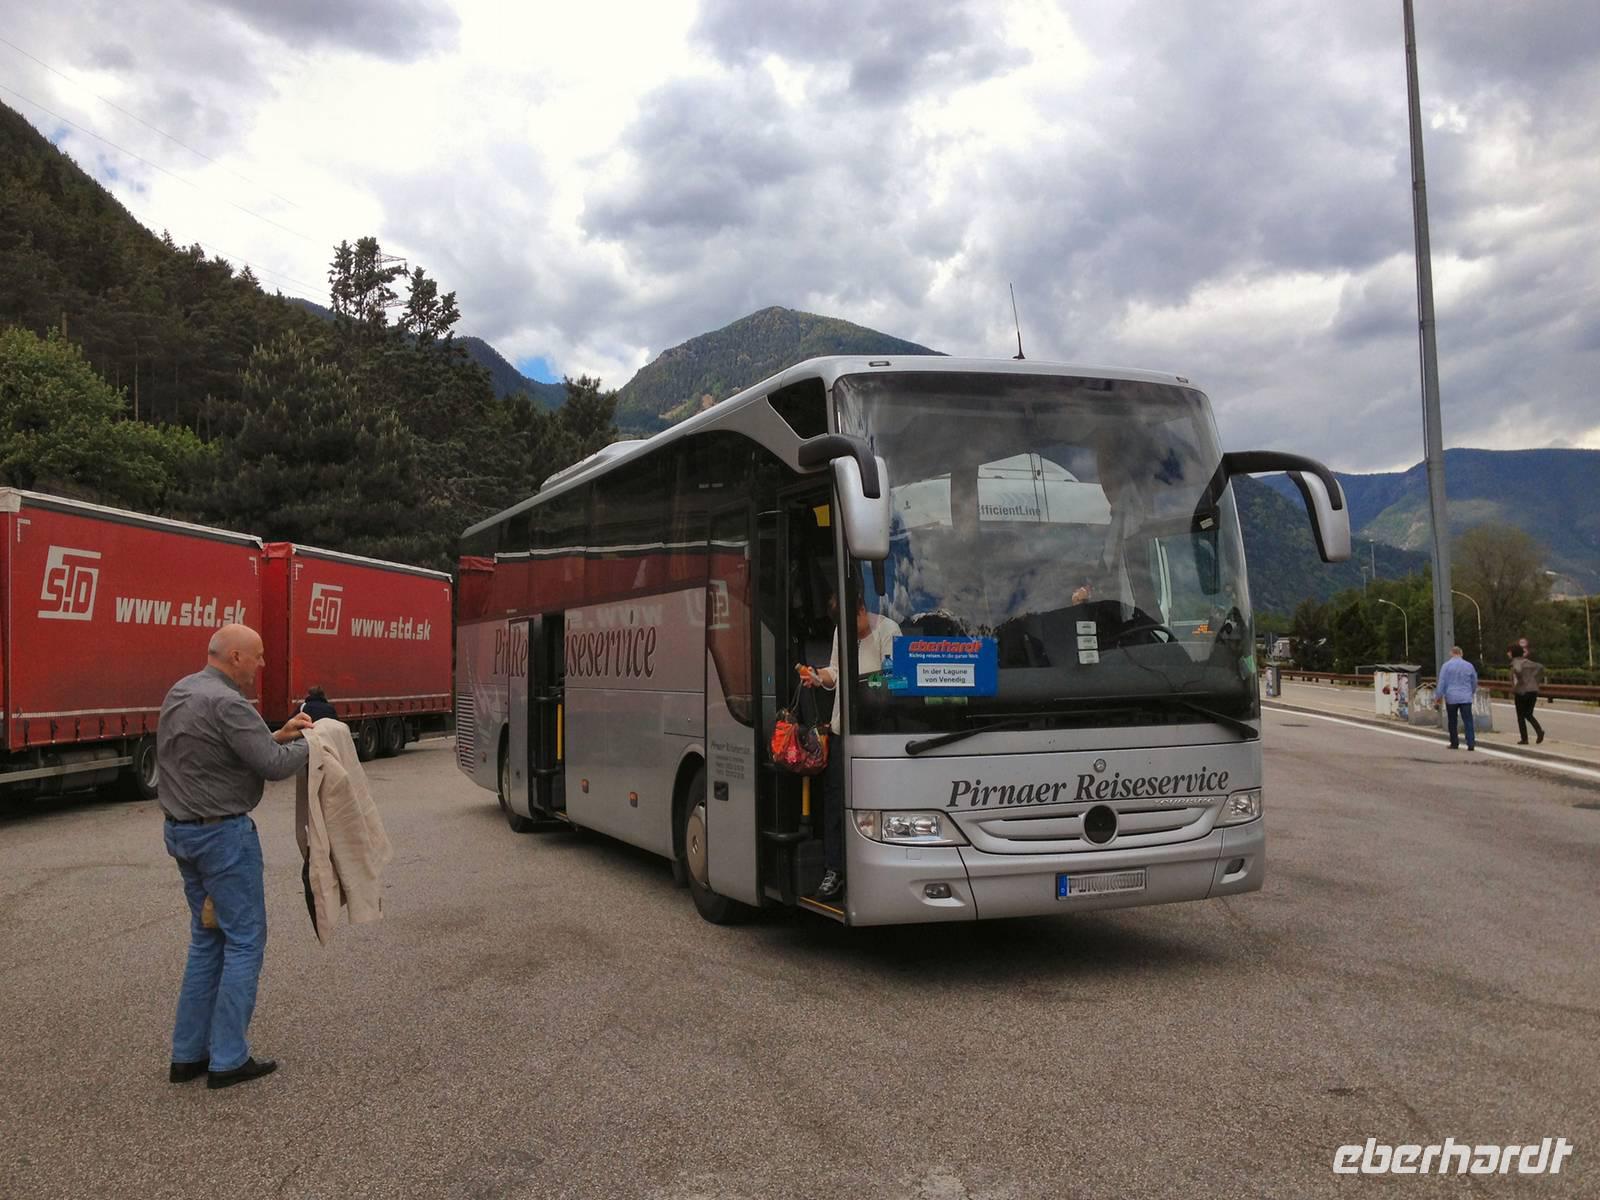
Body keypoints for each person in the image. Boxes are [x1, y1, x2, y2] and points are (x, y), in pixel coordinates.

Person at [157, 624, 313, 1089]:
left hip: (184, 835)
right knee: (244, 941)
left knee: (207, 941)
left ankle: (188, 1056)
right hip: (225, 838)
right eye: (259, 657)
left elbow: (236, 749)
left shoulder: (182, 691)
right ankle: (228, 1059)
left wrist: (278, 733)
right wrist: (315, 743)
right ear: (237, 658)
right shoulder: (229, 703)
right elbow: (273, 765)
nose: (263, 665)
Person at [797, 593, 902, 901]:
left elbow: (891, 680)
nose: (848, 631)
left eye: (851, 622)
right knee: (834, 802)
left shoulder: (888, 631)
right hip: (844, 729)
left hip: (876, 732)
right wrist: (817, 676)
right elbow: (835, 671)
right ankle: (834, 870)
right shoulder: (841, 630)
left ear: (861, 609)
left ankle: (872, 868)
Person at [1435, 645, 1478, 752]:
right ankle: (1471, 743)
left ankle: (1454, 742)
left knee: (1452, 720)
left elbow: (1442, 682)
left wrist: (1438, 696)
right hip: (1466, 697)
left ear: (1451, 653)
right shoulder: (1469, 666)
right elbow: (1474, 681)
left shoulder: (1446, 666)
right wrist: (1471, 691)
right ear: (1461, 654)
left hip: (1451, 696)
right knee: (1468, 720)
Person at [1508, 644, 1546, 745]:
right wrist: (1535, 679)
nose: (1508, 654)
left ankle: (1524, 739)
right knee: (1528, 714)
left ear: (1513, 653)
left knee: (1520, 716)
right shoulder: (1528, 662)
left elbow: (1518, 670)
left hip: (1522, 691)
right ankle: (1539, 731)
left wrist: (1520, 678)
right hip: (1533, 690)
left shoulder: (1516, 662)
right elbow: (1541, 667)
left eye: (1509, 652)